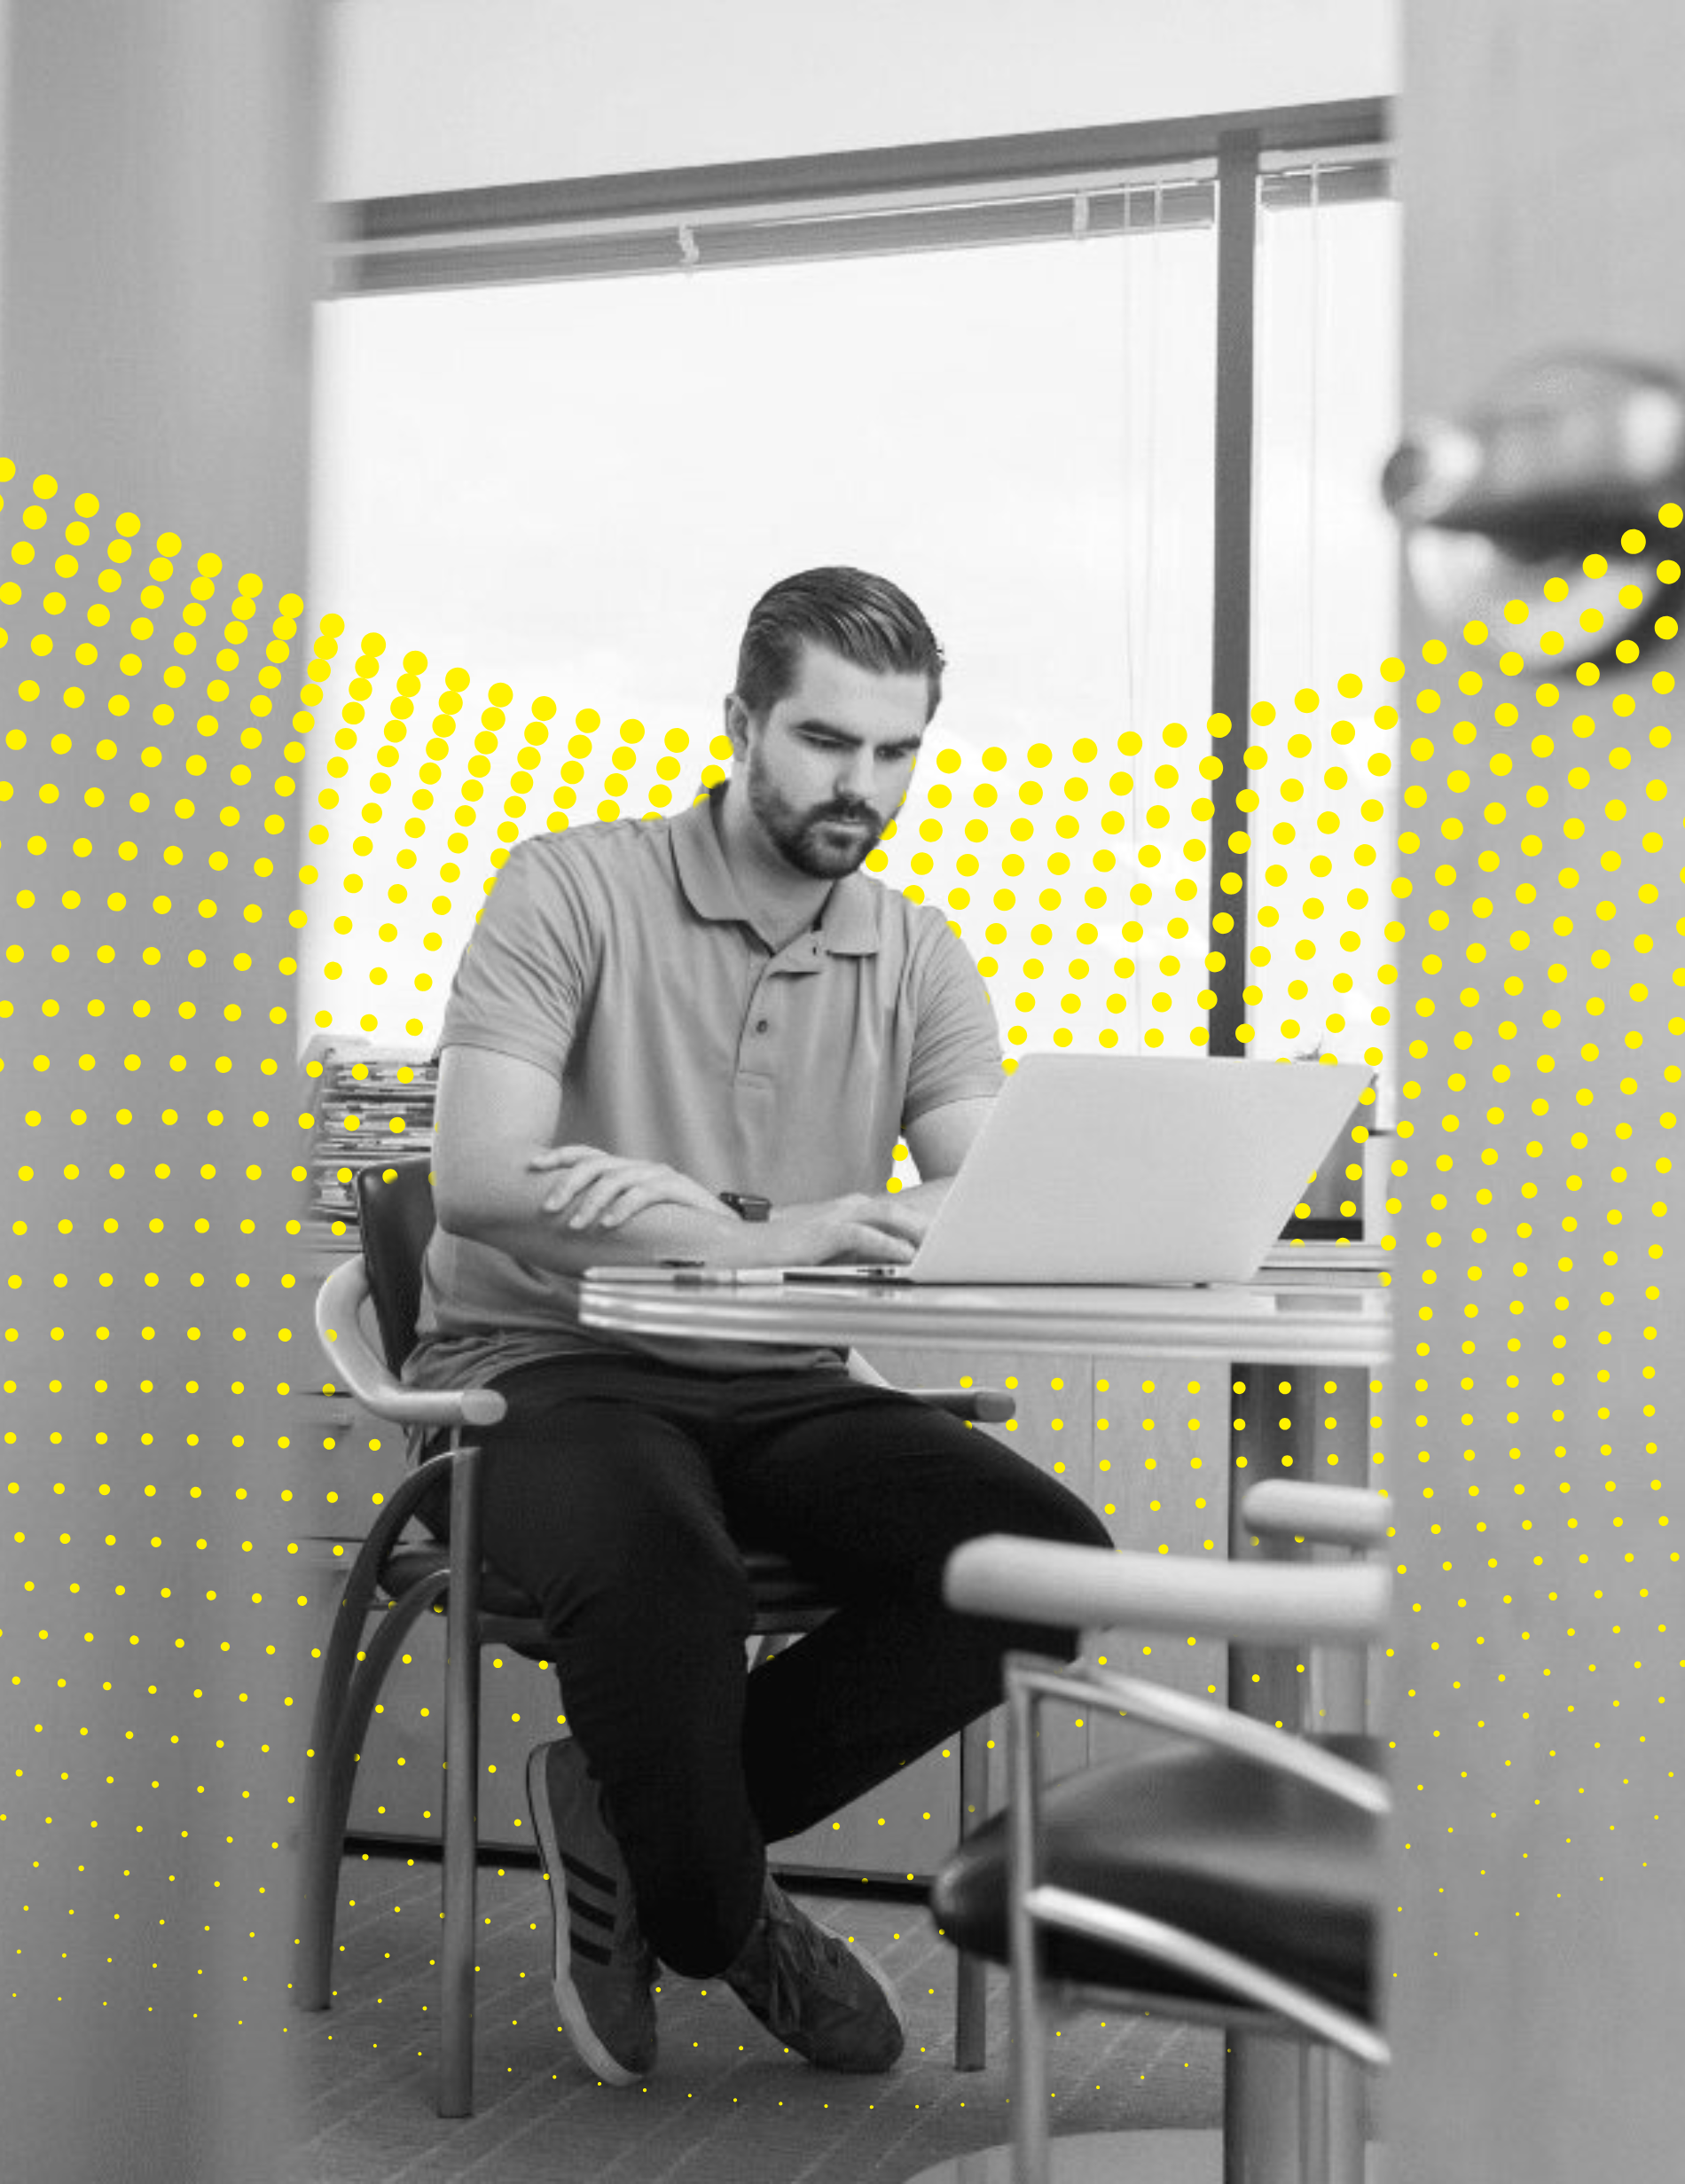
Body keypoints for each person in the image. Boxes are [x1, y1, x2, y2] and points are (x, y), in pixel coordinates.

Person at [405, 566, 1112, 2082]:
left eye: (895, 751)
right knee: (668, 1568)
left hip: (784, 1377)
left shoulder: (916, 954)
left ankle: (633, 1822)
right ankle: (732, 1921)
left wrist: (663, 1200)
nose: (861, 785)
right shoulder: (569, 887)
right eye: (823, 740)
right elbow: (477, 1180)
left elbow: (972, 1200)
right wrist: (760, 1227)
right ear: (738, 720)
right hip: (546, 1361)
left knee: (1039, 1564)